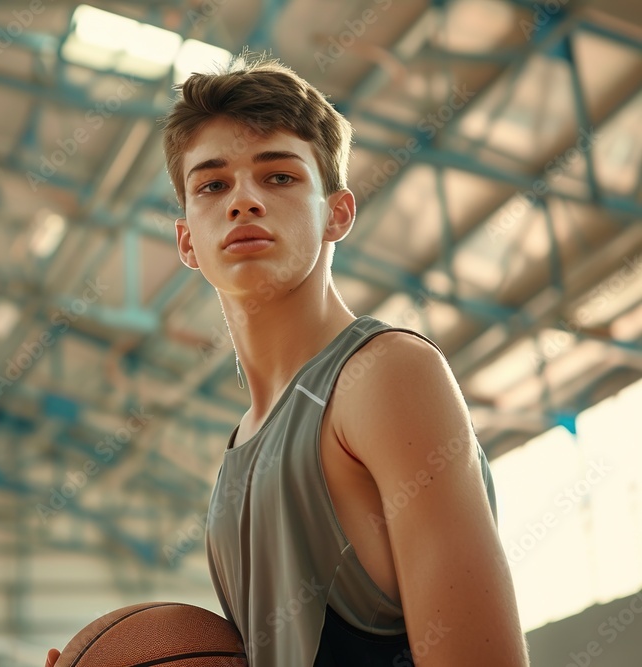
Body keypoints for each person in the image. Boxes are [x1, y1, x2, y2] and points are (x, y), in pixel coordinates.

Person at [47, 51, 529, 667]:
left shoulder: (386, 376)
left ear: (338, 212)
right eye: (213, 184)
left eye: (279, 177)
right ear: (187, 239)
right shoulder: (238, 451)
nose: (243, 199)